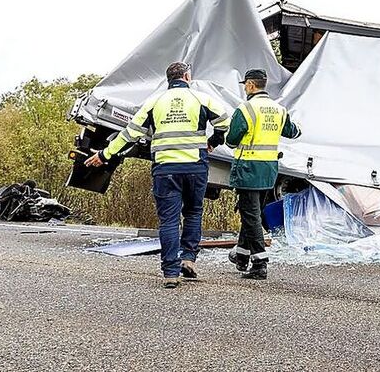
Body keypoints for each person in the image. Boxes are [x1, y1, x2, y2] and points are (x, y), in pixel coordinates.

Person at [85, 61, 231, 288]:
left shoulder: (154, 102)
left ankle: (171, 273)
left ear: (168, 80)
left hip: (165, 169)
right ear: (187, 77)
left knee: (169, 220)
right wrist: (214, 140)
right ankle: (189, 259)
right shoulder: (202, 99)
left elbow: (129, 134)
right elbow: (224, 122)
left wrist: (104, 155)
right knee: (193, 212)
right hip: (194, 166)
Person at [216, 68, 300, 281]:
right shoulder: (279, 110)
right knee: (252, 213)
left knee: (250, 215)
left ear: (252, 85)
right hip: (269, 170)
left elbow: (232, 140)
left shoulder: (245, 109)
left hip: (248, 169)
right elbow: (293, 132)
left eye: (246, 84)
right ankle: (242, 256)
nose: (245, 88)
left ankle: (260, 262)